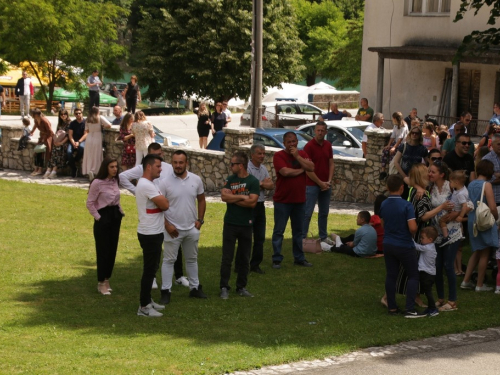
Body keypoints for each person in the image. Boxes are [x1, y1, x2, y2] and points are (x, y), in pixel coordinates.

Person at [119, 142, 189, 289]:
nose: (160, 163)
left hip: (164, 212)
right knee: (152, 256)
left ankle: (179, 275)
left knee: (173, 243)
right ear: (149, 160)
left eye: (160, 155)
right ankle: (151, 282)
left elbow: (174, 187)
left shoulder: (167, 168)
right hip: (152, 219)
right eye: (156, 157)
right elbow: (122, 177)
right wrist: (136, 191)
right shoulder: (144, 175)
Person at [158, 150, 207, 304]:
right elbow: (158, 206)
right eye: (175, 162)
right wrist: (167, 225)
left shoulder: (196, 179)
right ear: (172, 163)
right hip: (172, 229)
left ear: (187, 163)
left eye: (181, 162)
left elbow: (201, 200)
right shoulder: (164, 182)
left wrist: (200, 220)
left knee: (192, 259)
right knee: (169, 260)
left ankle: (195, 288)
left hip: (192, 228)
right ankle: (166, 291)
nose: (178, 165)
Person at [379, 175, 423, 318]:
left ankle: (392, 306)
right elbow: (412, 228)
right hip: (404, 244)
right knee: (413, 275)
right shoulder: (407, 205)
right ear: (402, 188)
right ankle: (409, 308)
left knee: (391, 275)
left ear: (387, 187)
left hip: (388, 243)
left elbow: (382, 223)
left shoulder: (384, 204)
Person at [219, 151, 259, 299]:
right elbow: (224, 197)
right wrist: (242, 196)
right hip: (230, 223)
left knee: (244, 257)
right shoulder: (230, 180)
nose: (230, 166)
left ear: (240, 165)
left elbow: (252, 202)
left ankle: (241, 287)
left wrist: (233, 198)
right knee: (227, 257)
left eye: (232, 164)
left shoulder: (253, 181)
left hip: (246, 225)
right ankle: (224, 286)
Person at [271, 132, 315, 269]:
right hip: (282, 201)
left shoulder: (301, 154)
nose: (292, 144)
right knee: (279, 231)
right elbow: (285, 172)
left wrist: (297, 157)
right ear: (284, 143)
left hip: (299, 200)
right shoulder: (278, 156)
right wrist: (302, 170)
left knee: (298, 231)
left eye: (294, 141)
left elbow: (312, 168)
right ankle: (277, 259)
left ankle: (299, 258)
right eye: (289, 142)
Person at [136, 154, 170, 318]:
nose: (161, 169)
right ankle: (143, 307)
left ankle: (148, 300)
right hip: (150, 233)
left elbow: (162, 204)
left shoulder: (150, 184)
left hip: (154, 231)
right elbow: (164, 204)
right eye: (158, 166)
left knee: (152, 268)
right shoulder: (146, 185)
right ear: (149, 167)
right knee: (149, 271)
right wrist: (164, 201)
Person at [86, 157, 124, 296]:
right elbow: (90, 203)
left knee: (112, 249)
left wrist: (120, 211)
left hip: (115, 216)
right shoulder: (97, 183)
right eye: (112, 167)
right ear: (105, 168)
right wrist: (99, 218)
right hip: (103, 217)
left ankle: (107, 279)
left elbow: (115, 198)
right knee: (103, 251)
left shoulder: (115, 181)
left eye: (116, 166)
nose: (115, 169)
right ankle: (101, 282)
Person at [461, 160, 499, 292]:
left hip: (472, 219)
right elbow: (492, 206)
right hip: (483, 219)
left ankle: (466, 280)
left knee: (477, 250)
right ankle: (480, 284)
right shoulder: (486, 185)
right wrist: (496, 218)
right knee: (485, 252)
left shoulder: (471, 184)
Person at [428, 161, 461, 311]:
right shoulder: (432, 188)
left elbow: (465, 202)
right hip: (437, 233)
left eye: (433, 172)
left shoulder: (451, 186)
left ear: (441, 174)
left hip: (452, 232)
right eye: (429, 171)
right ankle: (441, 298)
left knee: (449, 265)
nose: (430, 174)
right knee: (438, 266)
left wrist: (456, 214)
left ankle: (452, 301)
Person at [303, 121, 334, 248]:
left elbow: (331, 163)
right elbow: (307, 169)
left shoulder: (328, 145)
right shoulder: (308, 146)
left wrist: (329, 181)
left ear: (326, 132)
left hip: (326, 184)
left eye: (322, 130)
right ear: (314, 131)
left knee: (324, 212)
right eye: (318, 130)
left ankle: (323, 236)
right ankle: (302, 238)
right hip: (312, 185)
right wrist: (320, 183)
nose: (320, 132)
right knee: (307, 212)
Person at [245, 144, 274, 274]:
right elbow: (248, 186)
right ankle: (242, 264)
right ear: (252, 155)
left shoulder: (263, 169)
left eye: (263, 153)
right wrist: (261, 184)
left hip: (261, 205)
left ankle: (255, 264)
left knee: (260, 236)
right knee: (246, 237)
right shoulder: (246, 168)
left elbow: (271, 185)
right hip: (250, 205)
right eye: (259, 154)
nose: (262, 156)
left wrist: (258, 184)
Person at [392, 126, 428, 199]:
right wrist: (404, 176)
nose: (414, 134)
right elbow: (396, 162)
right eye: (412, 133)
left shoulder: (423, 149)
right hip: (403, 177)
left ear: (419, 135)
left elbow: (427, 163)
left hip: (416, 178)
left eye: (416, 133)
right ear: (410, 134)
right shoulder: (404, 146)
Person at [438, 170, 473, 247]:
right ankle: (461, 234)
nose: (449, 184)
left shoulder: (461, 194)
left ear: (456, 182)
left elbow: (464, 205)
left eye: (451, 182)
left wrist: (460, 216)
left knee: (442, 220)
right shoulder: (461, 188)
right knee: (458, 222)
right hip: (454, 209)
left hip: (455, 211)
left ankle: (446, 237)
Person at [413, 226, 439, 317]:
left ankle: (433, 309)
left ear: (430, 239)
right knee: (427, 291)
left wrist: (410, 239)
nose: (420, 239)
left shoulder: (428, 247)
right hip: (429, 273)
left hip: (427, 274)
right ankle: (431, 308)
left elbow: (416, 246)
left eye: (422, 238)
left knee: (428, 292)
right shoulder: (431, 246)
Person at [81, 106, 112, 181]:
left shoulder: (88, 119)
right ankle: (95, 171)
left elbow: (86, 130)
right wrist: (102, 126)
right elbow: (109, 125)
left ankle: (89, 170)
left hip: (89, 137)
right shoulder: (100, 117)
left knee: (89, 155)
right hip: (97, 136)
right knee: (97, 154)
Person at [380, 112, 408, 180]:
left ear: (395, 118)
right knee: (385, 151)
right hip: (396, 143)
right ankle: (383, 171)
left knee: (392, 154)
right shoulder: (395, 125)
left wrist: (394, 147)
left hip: (402, 145)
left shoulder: (403, 126)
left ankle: (391, 173)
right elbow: (393, 136)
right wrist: (389, 145)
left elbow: (400, 139)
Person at [44, 109, 71, 179]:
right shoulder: (60, 123)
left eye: (65, 114)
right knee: (54, 150)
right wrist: (55, 142)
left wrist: (61, 143)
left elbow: (68, 136)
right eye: (61, 114)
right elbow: (56, 134)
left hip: (65, 142)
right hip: (58, 142)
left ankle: (54, 171)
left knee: (58, 149)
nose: (63, 115)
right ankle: (49, 170)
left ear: (67, 114)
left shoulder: (69, 123)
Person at [30, 108, 54, 176]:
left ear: (36, 115)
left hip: (47, 137)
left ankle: (40, 170)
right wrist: (32, 132)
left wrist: (45, 140)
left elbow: (50, 131)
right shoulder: (36, 120)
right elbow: (35, 125)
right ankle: (36, 169)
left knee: (42, 153)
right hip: (42, 137)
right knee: (37, 152)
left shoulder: (44, 120)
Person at [67, 109, 86, 178]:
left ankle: (75, 160)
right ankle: (74, 168)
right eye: (76, 113)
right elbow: (70, 135)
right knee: (69, 152)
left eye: (79, 113)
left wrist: (79, 142)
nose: (78, 115)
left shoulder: (85, 122)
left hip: (82, 141)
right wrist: (73, 143)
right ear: (74, 115)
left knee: (81, 147)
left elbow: (86, 134)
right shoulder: (72, 123)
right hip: (73, 141)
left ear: (82, 113)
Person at [482, 133, 500, 206]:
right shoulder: (487, 159)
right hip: (493, 199)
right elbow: (486, 181)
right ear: (492, 144)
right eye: (499, 144)